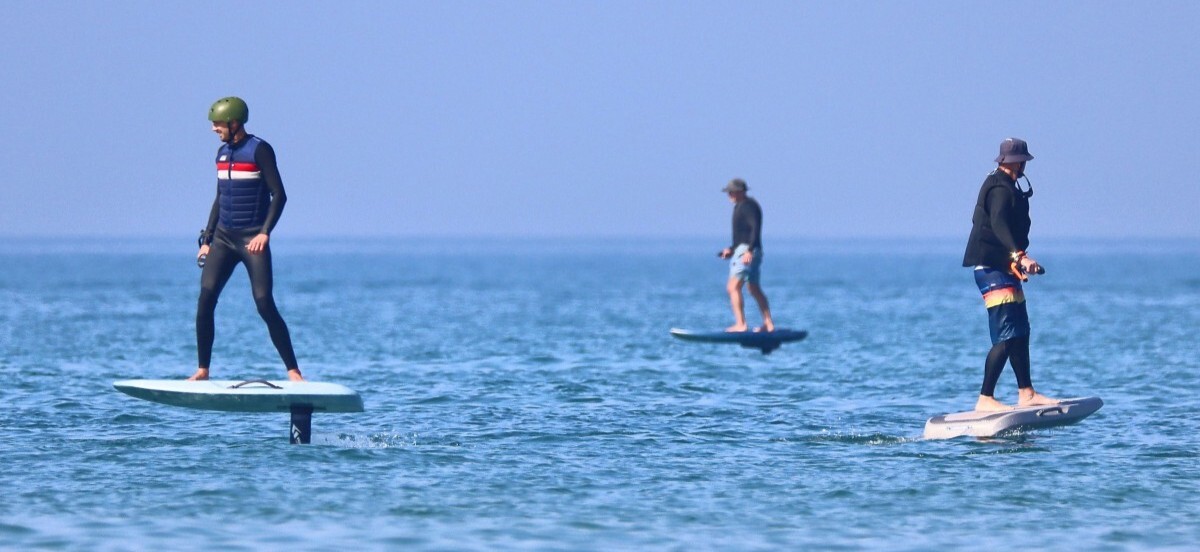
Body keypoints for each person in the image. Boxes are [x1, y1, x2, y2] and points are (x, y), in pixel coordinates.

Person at [189, 97, 303, 382]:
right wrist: (207, 237)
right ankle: (203, 370)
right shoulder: (221, 153)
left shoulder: (260, 150)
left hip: (253, 238)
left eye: (217, 124)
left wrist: (264, 233)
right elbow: (221, 197)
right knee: (206, 299)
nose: (214, 129)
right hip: (224, 239)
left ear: (234, 123)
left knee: (264, 302)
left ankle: (293, 371)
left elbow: (280, 194)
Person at [962, 138, 1056, 411]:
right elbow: (998, 224)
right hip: (992, 270)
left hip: (1004, 269)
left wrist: (1016, 259)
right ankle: (985, 399)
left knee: (1021, 331)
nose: (1025, 164)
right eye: (1022, 160)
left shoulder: (1006, 185)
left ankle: (1026, 392)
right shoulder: (999, 189)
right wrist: (1019, 255)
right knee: (1006, 335)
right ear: (1013, 162)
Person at [718, 178, 775, 333]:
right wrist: (731, 249)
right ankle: (768, 324)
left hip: (748, 250)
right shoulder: (741, 207)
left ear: (740, 192)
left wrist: (749, 250)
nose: (729, 195)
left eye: (731, 192)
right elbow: (743, 234)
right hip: (748, 249)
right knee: (753, 288)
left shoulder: (748, 206)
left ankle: (741, 324)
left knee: (732, 287)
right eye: (728, 193)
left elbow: (755, 228)